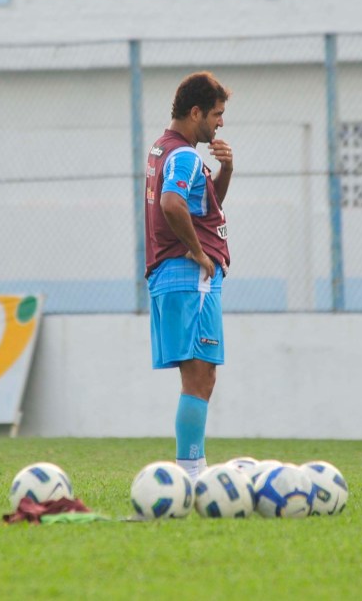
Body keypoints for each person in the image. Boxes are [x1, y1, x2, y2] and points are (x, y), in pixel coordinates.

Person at [144, 71, 234, 482]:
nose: (220, 123)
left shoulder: (162, 149)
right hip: (187, 274)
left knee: (197, 374)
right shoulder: (183, 155)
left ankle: (191, 469)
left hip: (171, 273)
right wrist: (199, 254)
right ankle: (193, 474)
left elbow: (200, 205)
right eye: (216, 114)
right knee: (201, 374)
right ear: (195, 111)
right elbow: (172, 203)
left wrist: (226, 172)